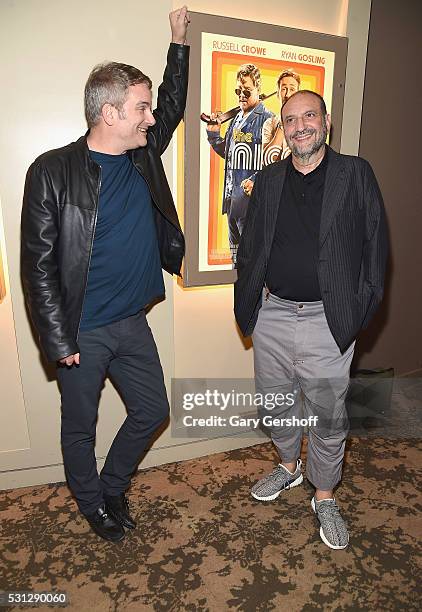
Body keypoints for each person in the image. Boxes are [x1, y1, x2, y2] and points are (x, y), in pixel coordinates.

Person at [21, 7, 190, 542]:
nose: (149, 117)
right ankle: (92, 504)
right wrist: (56, 337)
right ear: (109, 113)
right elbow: (39, 264)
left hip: (132, 321)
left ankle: (113, 484)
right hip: (82, 330)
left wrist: (178, 42)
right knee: (79, 427)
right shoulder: (52, 170)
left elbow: (172, 102)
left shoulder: (143, 156)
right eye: (139, 108)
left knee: (152, 410)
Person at [234, 90, 388, 549]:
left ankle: (324, 495)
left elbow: (375, 249)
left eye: (309, 116)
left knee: (327, 416)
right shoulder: (268, 179)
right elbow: (252, 243)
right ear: (282, 128)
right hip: (274, 314)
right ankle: (287, 466)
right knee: (274, 404)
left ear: (326, 122)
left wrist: (358, 308)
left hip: (328, 319)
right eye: (291, 119)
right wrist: (254, 291)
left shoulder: (355, 173)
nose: (301, 126)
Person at [206, 64, 273, 264]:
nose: (241, 95)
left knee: (253, 264)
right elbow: (227, 153)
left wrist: (256, 181)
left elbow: (275, 162)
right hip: (232, 202)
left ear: (258, 90)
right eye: (238, 91)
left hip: (252, 206)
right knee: (237, 264)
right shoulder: (236, 119)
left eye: (247, 91)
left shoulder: (268, 120)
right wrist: (213, 134)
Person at [262, 69, 301, 164]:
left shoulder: (306, 124)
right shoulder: (269, 123)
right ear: (278, 94)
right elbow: (267, 160)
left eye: (292, 89)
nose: (287, 95)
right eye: (284, 89)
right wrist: (283, 125)